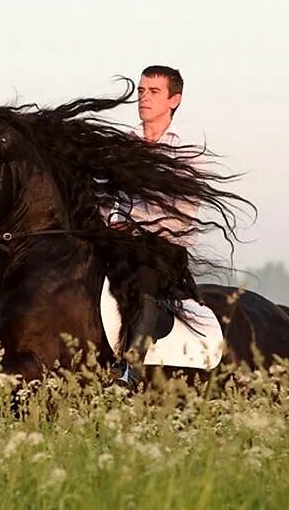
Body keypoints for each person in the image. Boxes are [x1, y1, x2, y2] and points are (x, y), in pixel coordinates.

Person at [110, 65, 203, 388]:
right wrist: (114, 222)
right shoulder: (125, 145)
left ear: (174, 100)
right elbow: (110, 195)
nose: (144, 98)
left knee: (145, 274)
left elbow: (183, 210)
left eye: (153, 92)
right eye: (141, 91)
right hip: (122, 241)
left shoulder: (187, 149)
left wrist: (136, 229)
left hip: (164, 247)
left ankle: (131, 369)